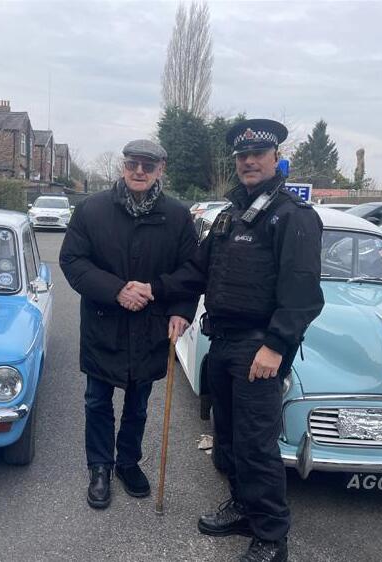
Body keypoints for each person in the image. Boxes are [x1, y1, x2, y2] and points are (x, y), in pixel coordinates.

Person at [144, 119, 325, 562]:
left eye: (257, 154)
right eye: (242, 156)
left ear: (276, 158)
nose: (248, 161)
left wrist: (276, 346)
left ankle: (271, 538)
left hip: (258, 348)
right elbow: (197, 271)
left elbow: (302, 294)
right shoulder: (229, 216)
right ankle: (243, 505)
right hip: (222, 343)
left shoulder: (293, 216)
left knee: (256, 445)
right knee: (226, 437)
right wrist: (154, 288)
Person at [59, 139, 198, 510]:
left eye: (148, 166)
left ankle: (128, 462)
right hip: (103, 323)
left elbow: (191, 270)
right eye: (133, 163)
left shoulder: (177, 216)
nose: (139, 171)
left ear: (160, 169)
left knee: (138, 403)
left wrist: (181, 310)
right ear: (123, 166)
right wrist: (116, 290)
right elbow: (73, 261)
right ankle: (99, 467)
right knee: (97, 401)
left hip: (151, 326)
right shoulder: (92, 209)